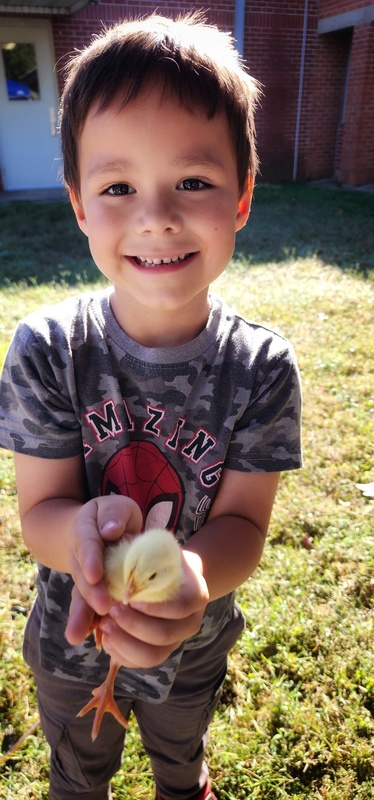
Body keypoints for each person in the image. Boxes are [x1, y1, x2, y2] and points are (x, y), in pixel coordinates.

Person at [0, 13, 302, 800]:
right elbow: (40, 513)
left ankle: (183, 780)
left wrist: (193, 573)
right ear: (79, 205)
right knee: (80, 769)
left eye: (193, 182)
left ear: (242, 198)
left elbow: (243, 527)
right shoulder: (47, 350)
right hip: (73, 646)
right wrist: (79, 533)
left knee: (179, 744)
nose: (156, 214)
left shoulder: (262, 368)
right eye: (118, 187)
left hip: (193, 640)